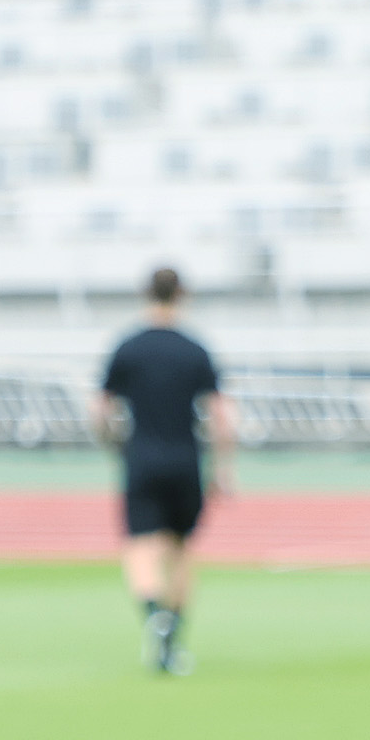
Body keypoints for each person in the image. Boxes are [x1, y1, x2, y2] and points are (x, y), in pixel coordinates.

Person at [93, 266, 237, 675]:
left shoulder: (128, 347)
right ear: (182, 294)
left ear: (145, 293)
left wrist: (112, 445)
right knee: (180, 550)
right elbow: (220, 414)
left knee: (140, 547)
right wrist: (223, 468)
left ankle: (153, 613)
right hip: (185, 459)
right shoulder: (195, 349)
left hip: (141, 457)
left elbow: (101, 408)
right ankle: (172, 638)